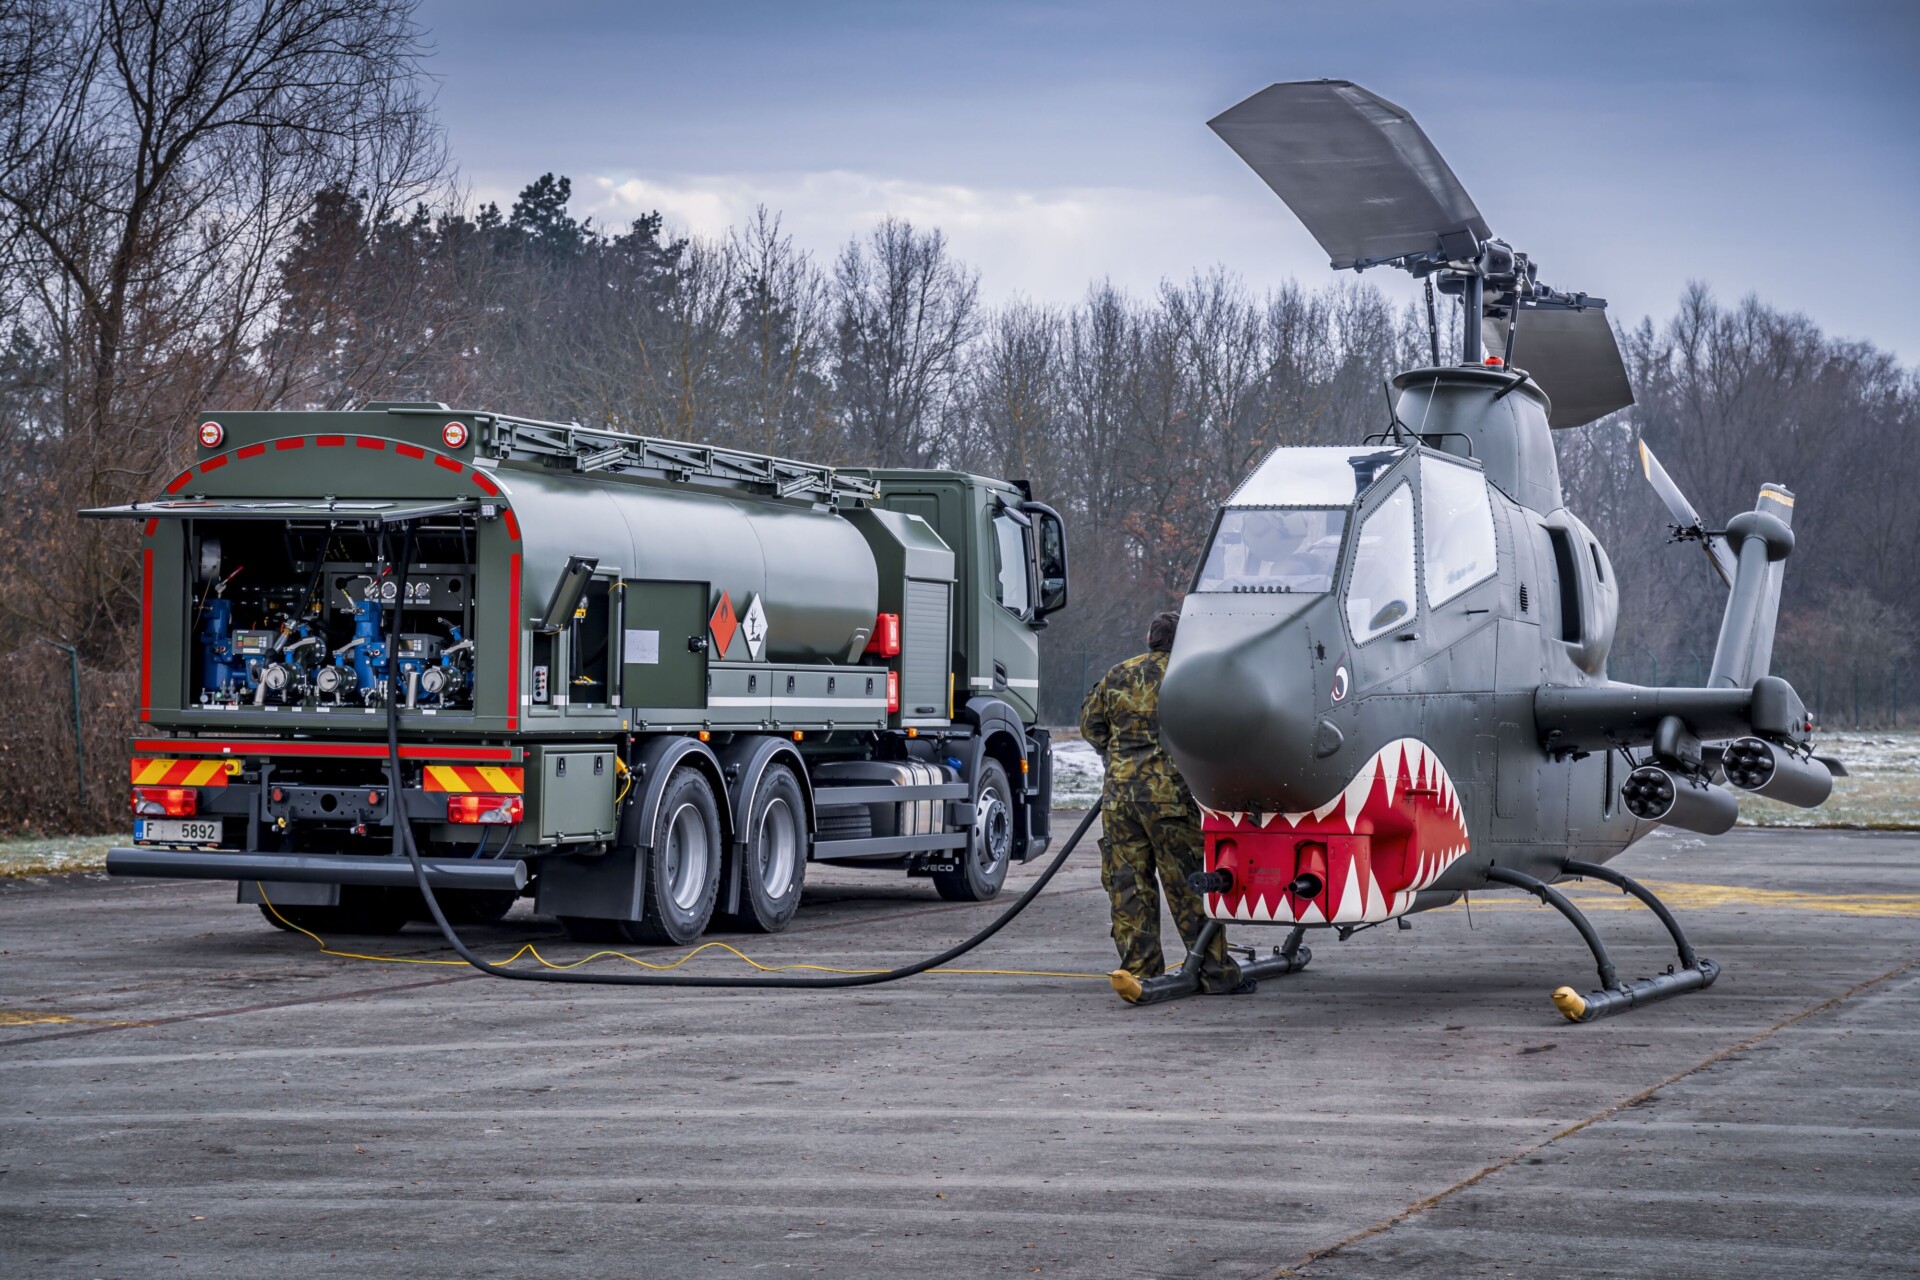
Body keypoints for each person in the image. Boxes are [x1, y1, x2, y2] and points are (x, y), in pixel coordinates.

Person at [1079, 609, 1248, 999]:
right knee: (1188, 884)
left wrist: (1121, 757)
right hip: (1173, 797)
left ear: (1148, 640)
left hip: (1120, 798)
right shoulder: (1193, 678)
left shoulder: (1119, 673)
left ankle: (1139, 969)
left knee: (1128, 885)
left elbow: (1091, 725)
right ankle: (1213, 970)